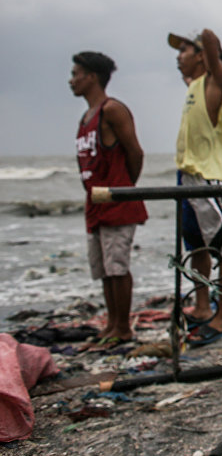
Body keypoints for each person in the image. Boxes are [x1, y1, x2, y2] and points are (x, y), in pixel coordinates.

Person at [169, 29, 222, 347]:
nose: (177, 56)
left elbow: (212, 51)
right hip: (186, 175)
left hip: (207, 176)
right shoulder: (193, 86)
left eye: (184, 50)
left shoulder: (214, 84)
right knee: (196, 246)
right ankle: (202, 306)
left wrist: (207, 42)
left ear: (200, 55)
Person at [71, 52, 148, 347]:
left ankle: (123, 327)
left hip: (116, 200)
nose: (72, 80)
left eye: (77, 73)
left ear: (92, 76)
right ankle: (112, 324)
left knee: (117, 266)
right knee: (103, 268)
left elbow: (135, 153)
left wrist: (125, 187)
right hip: (95, 203)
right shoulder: (86, 117)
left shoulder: (112, 110)